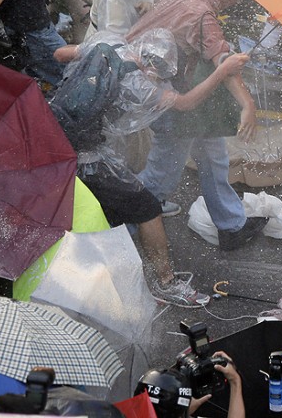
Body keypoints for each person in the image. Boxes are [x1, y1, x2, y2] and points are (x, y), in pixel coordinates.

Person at [53, 29, 248, 305]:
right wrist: (222, 71)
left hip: (53, 138)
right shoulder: (140, 84)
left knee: (99, 209)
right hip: (86, 158)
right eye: (160, 76)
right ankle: (166, 282)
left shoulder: (108, 42)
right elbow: (186, 103)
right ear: (153, 66)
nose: (160, 81)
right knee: (147, 207)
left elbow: (59, 53)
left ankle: (94, 266)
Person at [126, 0, 267, 249]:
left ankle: (231, 226)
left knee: (213, 155)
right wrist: (247, 106)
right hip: (164, 92)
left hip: (150, 75)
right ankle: (117, 231)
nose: (237, 2)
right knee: (161, 176)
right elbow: (225, 66)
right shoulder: (204, 17)